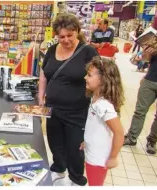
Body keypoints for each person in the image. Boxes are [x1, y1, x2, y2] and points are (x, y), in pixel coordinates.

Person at [38, 13, 98, 186]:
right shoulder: (51, 49)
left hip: (77, 110)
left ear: (77, 31)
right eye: (61, 36)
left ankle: (76, 178)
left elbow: (99, 77)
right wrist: (41, 96)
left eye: (69, 35)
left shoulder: (88, 51)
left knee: (75, 147)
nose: (65, 40)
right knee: (55, 141)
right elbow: (44, 74)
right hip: (52, 108)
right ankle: (59, 168)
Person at [123, 9, 157, 155]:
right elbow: (145, 59)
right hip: (150, 79)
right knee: (140, 111)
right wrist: (146, 52)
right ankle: (131, 137)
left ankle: (152, 140)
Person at [80, 56, 125, 186]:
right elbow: (95, 126)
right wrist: (87, 140)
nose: (85, 78)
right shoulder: (95, 97)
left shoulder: (103, 105)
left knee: (95, 184)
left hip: (98, 158)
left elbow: (119, 132)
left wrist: (113, 157)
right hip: (92, 151)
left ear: (103, 79)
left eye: (89, 75)